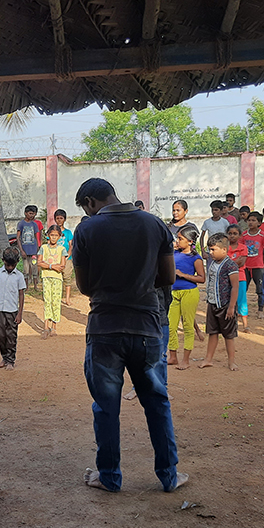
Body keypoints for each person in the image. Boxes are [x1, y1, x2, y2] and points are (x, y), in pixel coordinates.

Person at [72, 177, 187, 494]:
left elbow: (84, 287)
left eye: (86, 208)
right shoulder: (154, 224)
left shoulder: (87, 229)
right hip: (147, 328)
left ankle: (109, 476)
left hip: (105, 328)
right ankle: (169, 475)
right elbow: (167, 278)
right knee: (157, 402)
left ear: (91, 202)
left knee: (106, 407)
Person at [199, 232, 240, 371]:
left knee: (229, 335)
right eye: (209, 249)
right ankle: (208, 359)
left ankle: (232, 362)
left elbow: (235, 287)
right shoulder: (212, 264)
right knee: (212, 332)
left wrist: (231, 307)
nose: (210, 252)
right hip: (212, 303)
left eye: (213, 249)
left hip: (225, 305)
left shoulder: (230, 265)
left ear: (224, 249)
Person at [167, 225, 204, 370]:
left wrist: (183, 275)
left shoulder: (196, 258)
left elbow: (202, 278)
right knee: (171, 326)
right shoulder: (173, 254)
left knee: (188, 326)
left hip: (189, 292)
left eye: (180, 238)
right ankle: (173, 356)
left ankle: (186, 360)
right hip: (173, 292)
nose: (177, 240)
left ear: (189, 241)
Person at [0, 246, 26, 369]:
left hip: (12, 311)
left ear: (17, 262)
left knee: (11, 336)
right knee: (0, 335)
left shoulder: (19, 276)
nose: (10, 268)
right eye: (8, 265)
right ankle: (4, 357)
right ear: (3, 260)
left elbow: (21, 294)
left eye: (12, 265)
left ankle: (10, 360)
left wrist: (20, 313)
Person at [38, 225, 67, 338]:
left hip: (57, 279)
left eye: (56, 235)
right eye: (52, 235)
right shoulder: (44, 248)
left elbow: (62, 265)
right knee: (47, 300)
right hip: (46, 277)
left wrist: (48, 265)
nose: (54, 237)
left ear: (59, 236)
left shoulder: (62, 249)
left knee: (55, 301)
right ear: (48, 235)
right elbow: (39, 262)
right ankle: (46, 327)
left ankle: (54, 326)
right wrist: (52, 266)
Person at [241, 212, 264, 319]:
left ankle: (260, 310)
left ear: (259, 222)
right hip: (246, 267)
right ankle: (241, 309)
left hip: (258, 267)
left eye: (253, 220)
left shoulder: (262, 235)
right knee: (243, 288)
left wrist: (261, 260)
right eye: (249, 220)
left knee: (260, 289)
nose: (251, 222)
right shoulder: (243, 235)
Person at [16, 204, 44, 291]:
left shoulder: (34, 225)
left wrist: (38, 248)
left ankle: (35, 286)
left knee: (34, 268)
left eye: (33, 214)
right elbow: (18, 238)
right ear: (25, 213)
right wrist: (21, 250)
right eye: (30, 213)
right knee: (26, 270)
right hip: (25, 250)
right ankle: (26, 287)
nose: (31, 215)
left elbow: (37, 237)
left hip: (33, 251)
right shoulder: (21, 224)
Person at [226, 225, 249, 331]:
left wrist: (230, 263)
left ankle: (245, 325)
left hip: (240, 277)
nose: (232, 236)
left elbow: (242, 263)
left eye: (235, 234)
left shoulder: (243, 247)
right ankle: (232, 323)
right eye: (230, 233)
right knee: (229, 301)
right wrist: (235, 262)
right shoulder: (224, 247)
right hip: (226, 278)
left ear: (239, 235)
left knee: (241, 300)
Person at [53, 208, 75, 306]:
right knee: (56, 279)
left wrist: (67, 257)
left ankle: (67, 299)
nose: (59, 220)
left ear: (64, 219)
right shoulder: (52, 232)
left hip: (67, 259)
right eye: (57, 218)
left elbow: (71, 245)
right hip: (55, 259)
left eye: (61, 218)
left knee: (67, 279)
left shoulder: (68, 232)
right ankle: (56, 298)